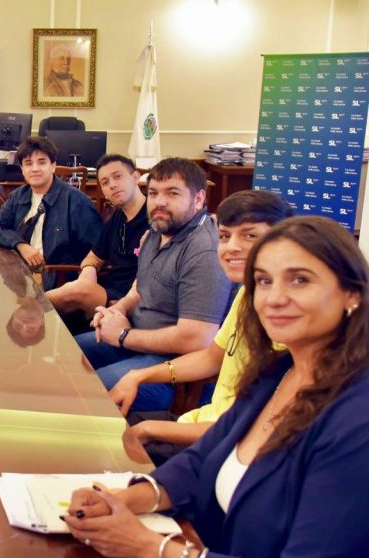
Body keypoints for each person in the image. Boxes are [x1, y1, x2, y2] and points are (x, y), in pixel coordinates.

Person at [64, 216, 369, 557]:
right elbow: (201, 460)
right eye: (263, 281)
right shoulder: (276, 372)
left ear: (352, 294)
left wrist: (150, 547)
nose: (274, 298)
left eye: (300, 280)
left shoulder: (357, 420)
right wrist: (124, 499)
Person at [109, 190, 293, 464]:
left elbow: (255, 430)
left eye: (250, 235)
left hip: (225, 449)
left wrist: (150, 429)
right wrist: (138, 376)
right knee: (105, 425)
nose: (232, 247)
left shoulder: (287, 321)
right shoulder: (247, 292)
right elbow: (211, 358)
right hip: (202, 424)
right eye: (225, 236)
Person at [75, 157, 232, 411]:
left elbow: (196, 340)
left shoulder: (204, 251)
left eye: (172, 193)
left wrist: (124, 336)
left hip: (172, 366)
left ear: (198, 199)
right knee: (66, 353)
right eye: (153, 193)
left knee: (88, 390)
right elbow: (141, 288)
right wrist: (118, 310)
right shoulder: (156, 231)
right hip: (137, 338)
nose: (159, 202)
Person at [0, 136, 102, 290]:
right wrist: (20, 245)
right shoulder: (19, 196)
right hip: (19, 274)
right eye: (28, 163)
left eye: (41, 162)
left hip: (58, 281)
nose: (35, 169)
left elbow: (97, 250)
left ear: (52, 166)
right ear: (22, 170)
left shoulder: (77, 201)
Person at [46, 153, 148, 317]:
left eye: (118, 176)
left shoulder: (156, 218)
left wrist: (84, 288)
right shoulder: (117, 217)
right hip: (106, 293)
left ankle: (25, 305)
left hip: (132, 302)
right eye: (105, 182)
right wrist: (88, 274)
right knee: (53, 319)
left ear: (136, 177)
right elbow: (92, 258)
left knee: (73, 293)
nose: (112, 185)